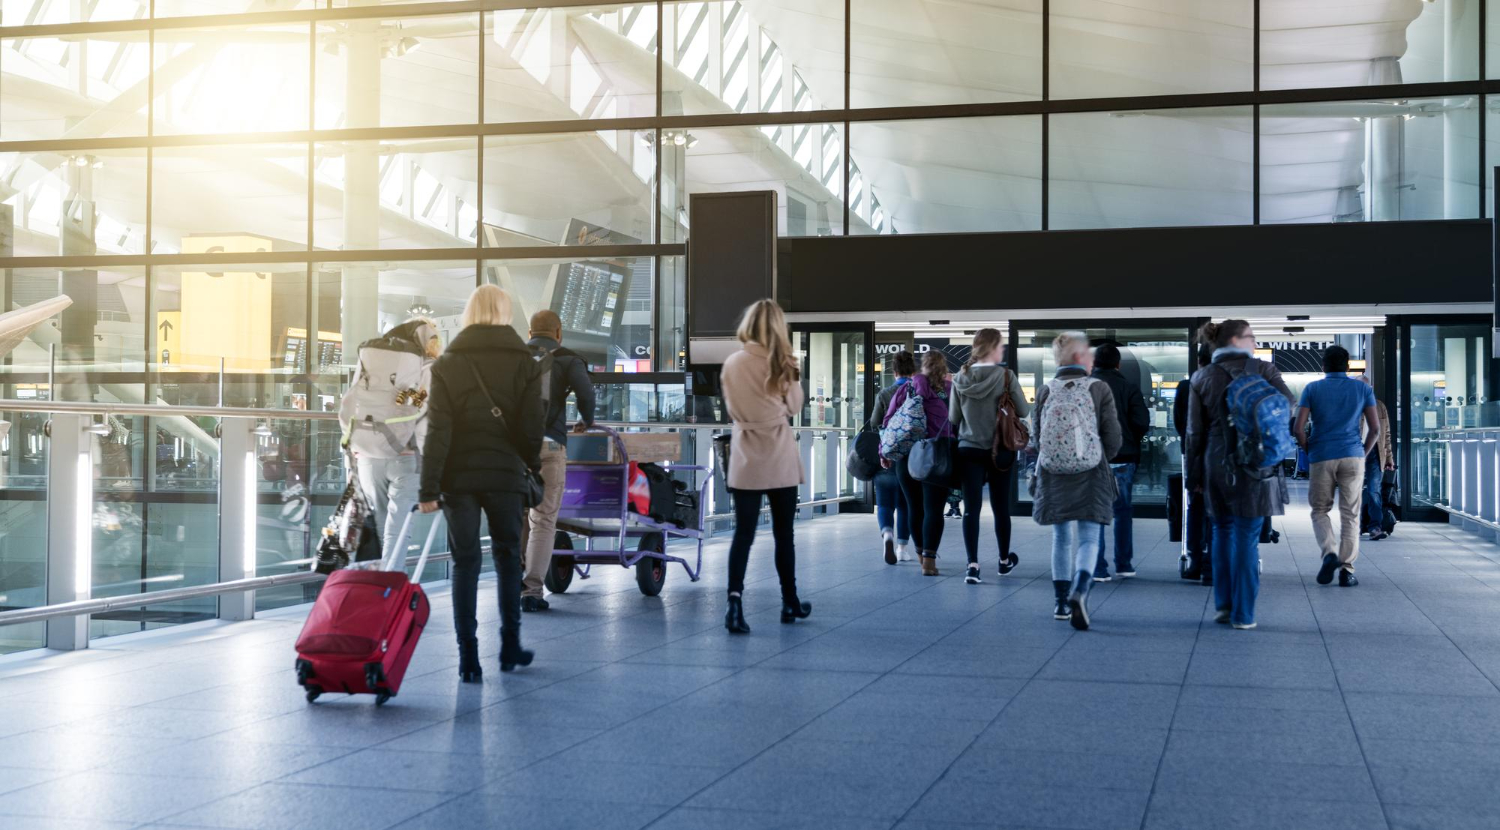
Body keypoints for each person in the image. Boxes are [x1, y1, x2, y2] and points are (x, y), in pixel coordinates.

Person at [420, 285, 543, 680]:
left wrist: (428, 487)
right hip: (505, 474)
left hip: (458, 478)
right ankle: (509, 646)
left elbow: (438, 430)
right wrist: (528, 464)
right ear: (506, 313)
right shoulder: (525, 361)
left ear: (469, 314)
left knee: (465, 563)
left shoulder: (448, 363)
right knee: (508, 557)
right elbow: (531, 427)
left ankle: (468, 658)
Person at [1186, 319, 1293, 630]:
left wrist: (1194, 477)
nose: (1255, 342)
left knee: (1221, 532)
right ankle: (1244, 614)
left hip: (1216, 462)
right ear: (1236, 339)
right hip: (1256, 464)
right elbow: (1288, 405)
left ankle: (1223, 606)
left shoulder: (1202, 376)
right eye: (1251, 337)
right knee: (1247, 537)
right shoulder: (1263, 370)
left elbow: (1193, 433)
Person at [720, 299, 809, 635]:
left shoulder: (732, 363)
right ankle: (790, 601)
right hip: (779, 456)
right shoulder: (782, 362)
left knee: (743, 534)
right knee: (783, 534)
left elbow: (731, 408)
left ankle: (734, 604)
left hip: (745, 456)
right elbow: (795, 406)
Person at [1030, 332, 1120, 630]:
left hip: (1053, 473)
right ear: (1081, 358)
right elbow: (1113, 437)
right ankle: (1080, 590)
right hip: (1091, 472)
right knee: (1089, 537)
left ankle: (1059, 602)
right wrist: (1096, 454)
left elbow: (1036, 436)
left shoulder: (1045, 390)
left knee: (1061, 537)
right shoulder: (1098, 389)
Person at [339, 318, 440, 553]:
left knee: (383, 527)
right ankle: (390, 586)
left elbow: (350, 401)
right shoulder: (428, 367)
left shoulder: (374, 362)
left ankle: (384, 584)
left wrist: (351, 439)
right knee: (397, 533)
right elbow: (429, 409)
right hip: (406, 455)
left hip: (367, 454)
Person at [521, 309, 596, 612]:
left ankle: (514, 581)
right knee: (543, 519)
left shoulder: (514, 357)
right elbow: (586, 394)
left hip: (515, 448)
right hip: (550, 445)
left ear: (529, 333)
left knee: (518, 515)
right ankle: (532, 591)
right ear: (559, 332)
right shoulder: (568, 358)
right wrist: (585, 421)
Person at [1294, 345, 1381, 588]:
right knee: (1350, 514)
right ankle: (1346, 570)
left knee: (1320, 510)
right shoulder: (1363, 388)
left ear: (1323, 367)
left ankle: (1329, 552)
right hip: (1352, 455)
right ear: (1347, 367)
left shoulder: (1312, 388)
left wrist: (1309, 450)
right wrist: (1361, 453)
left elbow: (1298, 428)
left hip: (1321, 455)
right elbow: (1375, 429)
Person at [951, 328, 1029, 584]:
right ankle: (1004, 561)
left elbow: (953, 418)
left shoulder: (960, 378)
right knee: (1000, 508)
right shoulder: (1006, 376)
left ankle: (972, 565)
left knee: (971, 509)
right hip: (1001, 450)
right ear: (993, 348)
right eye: (1001, 346)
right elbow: (1024, 410)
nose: (1002, 350)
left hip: (969, 449)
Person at [883, 351, 955, 576]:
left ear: (921, 368)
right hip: (938, 457)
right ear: (943, 369)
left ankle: (920, 554)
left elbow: (888, 422)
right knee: (934, 509)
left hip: (907, 457)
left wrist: (883, 453)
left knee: (915, 507)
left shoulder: (907, 389)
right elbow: (959, 422)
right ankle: (930, 563)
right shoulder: (950, 391)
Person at [1091, 343, 1150, 581]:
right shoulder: (1129, 387)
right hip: (1123, 458)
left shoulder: (1087, 388)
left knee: (1096, 513)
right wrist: (1130, 439)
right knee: (1123, 512)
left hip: (1093, 459)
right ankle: (1124, 564)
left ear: (1094, 363)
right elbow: (1141, 422)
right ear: (1118, 364)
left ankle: (1098, 568)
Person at [869, 351, 916, 564]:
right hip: (910, 457)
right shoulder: (917, 393)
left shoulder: (885, 394)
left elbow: (874, 422)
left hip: (886, 454)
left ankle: (887, 534)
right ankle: (902, 549)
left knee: (885, 502)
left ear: (894, 371)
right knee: (905, 504)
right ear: (913, 370)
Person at [1173, 343, 1214, 584]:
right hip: (1220, 456)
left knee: (1195, 508)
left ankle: (1196, 562)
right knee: (1219, 511)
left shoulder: (1186, 386)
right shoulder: (1228, 384)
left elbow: (1180, 422)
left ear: (1198, 362)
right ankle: (1213, 565)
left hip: (1193, 455)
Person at [1355, 373, 1394, 541]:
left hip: (1376, 454)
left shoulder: (1379, 406)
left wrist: (1390, 458)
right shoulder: (1350, 406)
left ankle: (1375, 527)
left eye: (1366, 387)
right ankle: (1355, 526)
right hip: (1354, 453)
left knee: (1373, 491)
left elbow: (1386, 434)